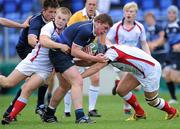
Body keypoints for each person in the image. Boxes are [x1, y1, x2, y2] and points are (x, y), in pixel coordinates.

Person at [1, 7, 72, 125]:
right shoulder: (48, 27)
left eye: (64, 19)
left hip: (44, 69)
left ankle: (10, 117)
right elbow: (44, 42)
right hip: (32, 61)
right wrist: (60, 46)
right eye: (59, 17)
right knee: (8, 83)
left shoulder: (67, 31)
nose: (60, 21)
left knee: (27, 89)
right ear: (55, 17)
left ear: (67, 21)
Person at [42, 13, 113, 123]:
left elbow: (76, 51)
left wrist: (91, 58)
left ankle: (49, 114)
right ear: (98, 23)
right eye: (105, 28)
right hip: (59, 54)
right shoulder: (86, 30)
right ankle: (80, 116)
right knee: (77, 81)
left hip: (61, 54)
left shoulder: (91, 31)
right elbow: (75, 51)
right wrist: (94, 59)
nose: (105, 32)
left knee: (64, 86)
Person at [81, 44, 179, 121]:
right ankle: (140, 113)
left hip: (150, 70)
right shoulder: (108, 50)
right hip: (139, 69)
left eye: (94, 55)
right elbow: (91, 62)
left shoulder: (111, 54)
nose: (94, 57)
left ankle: (173, 112)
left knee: (152, 101)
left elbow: (96, 67)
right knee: (121, 90)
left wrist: (79, 77)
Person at [106, 2, 150, 114]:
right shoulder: (116, 27)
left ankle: (118, 83)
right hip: (120, 60)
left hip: (133, 60)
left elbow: (144, 43)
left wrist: (149, 58)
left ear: (136, 14)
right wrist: (112, 48)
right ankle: (127, 108)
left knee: (136, 88)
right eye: (127, 11)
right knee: (126, 85)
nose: (128, 13)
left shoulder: (140, 27)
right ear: (123, 12)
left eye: (131, 11)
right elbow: (107, 40)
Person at [63, 0, 102, 117]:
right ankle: (67, 110)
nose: (91, 6)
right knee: (71, 81)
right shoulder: (77, 16)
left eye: (94, 4)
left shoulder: (100, 17)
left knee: (95, 78)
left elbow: (101, 36)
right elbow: (67, 32)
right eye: (89, 4)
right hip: (76, 51)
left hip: (91, 52)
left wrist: (99, 49)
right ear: (85, 4)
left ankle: (91, 109)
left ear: (97, 6)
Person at [147, 5, 180, 104]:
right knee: (166, 74)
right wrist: (154, 44)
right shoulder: (167, 26)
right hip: (170, 54)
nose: (171, 14)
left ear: (176, 14)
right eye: (169, 13)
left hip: (178, 55)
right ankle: (174, 98)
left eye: (173, 13)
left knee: (175, 78)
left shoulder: (179, 23)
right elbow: (164, 39)